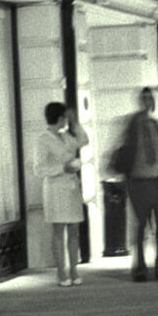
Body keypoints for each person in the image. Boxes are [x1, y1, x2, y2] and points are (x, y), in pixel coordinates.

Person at [119, 87, 158, 282]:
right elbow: (126, 147)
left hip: (157, 181)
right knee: (141, 225)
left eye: (151, 97)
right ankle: (140, 267)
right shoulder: (134, 122)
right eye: (144, 98)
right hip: (139, 181)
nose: (147, 101)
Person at [34, 102, 89, 287]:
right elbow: (39, 169)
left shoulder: (66, 136)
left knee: (74, 230)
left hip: (71, 188)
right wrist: (61, 168)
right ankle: (61, 272)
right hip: (55, 189)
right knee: (58, 231)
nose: (67, 119)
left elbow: (84, 140)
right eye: (65, 116)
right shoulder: (43, 139)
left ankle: (74, 269)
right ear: (59, 118)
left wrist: (75, 122)